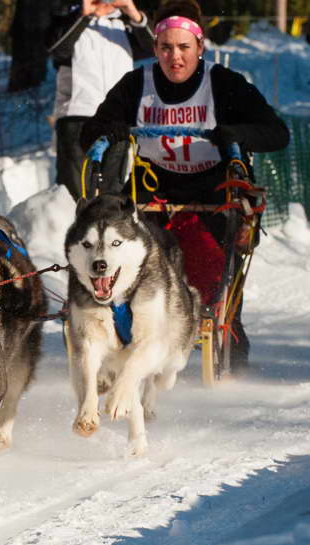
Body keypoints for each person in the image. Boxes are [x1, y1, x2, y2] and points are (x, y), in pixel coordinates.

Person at [80, 0, 290, 371]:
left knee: (216, 280)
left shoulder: (223, 84)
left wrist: (236, 133)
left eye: (183, 48)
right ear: (155, 47)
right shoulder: (136, 85)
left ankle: (232, 366)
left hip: (214, 190)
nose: (174, 57)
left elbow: (276, 133)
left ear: (199, 46)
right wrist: (108, 130)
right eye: (165, 47)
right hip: (153, 186)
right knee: (131, 261)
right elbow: (89, 133)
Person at [48, 0, 153, 200]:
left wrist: (131, 10)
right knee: (75, 194)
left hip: (117, 118)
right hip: (77, 116)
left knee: (113, 192)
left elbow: (155, 47)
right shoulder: (66, 17)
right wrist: (85, 14)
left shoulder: (125, 23)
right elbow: (58, 49)